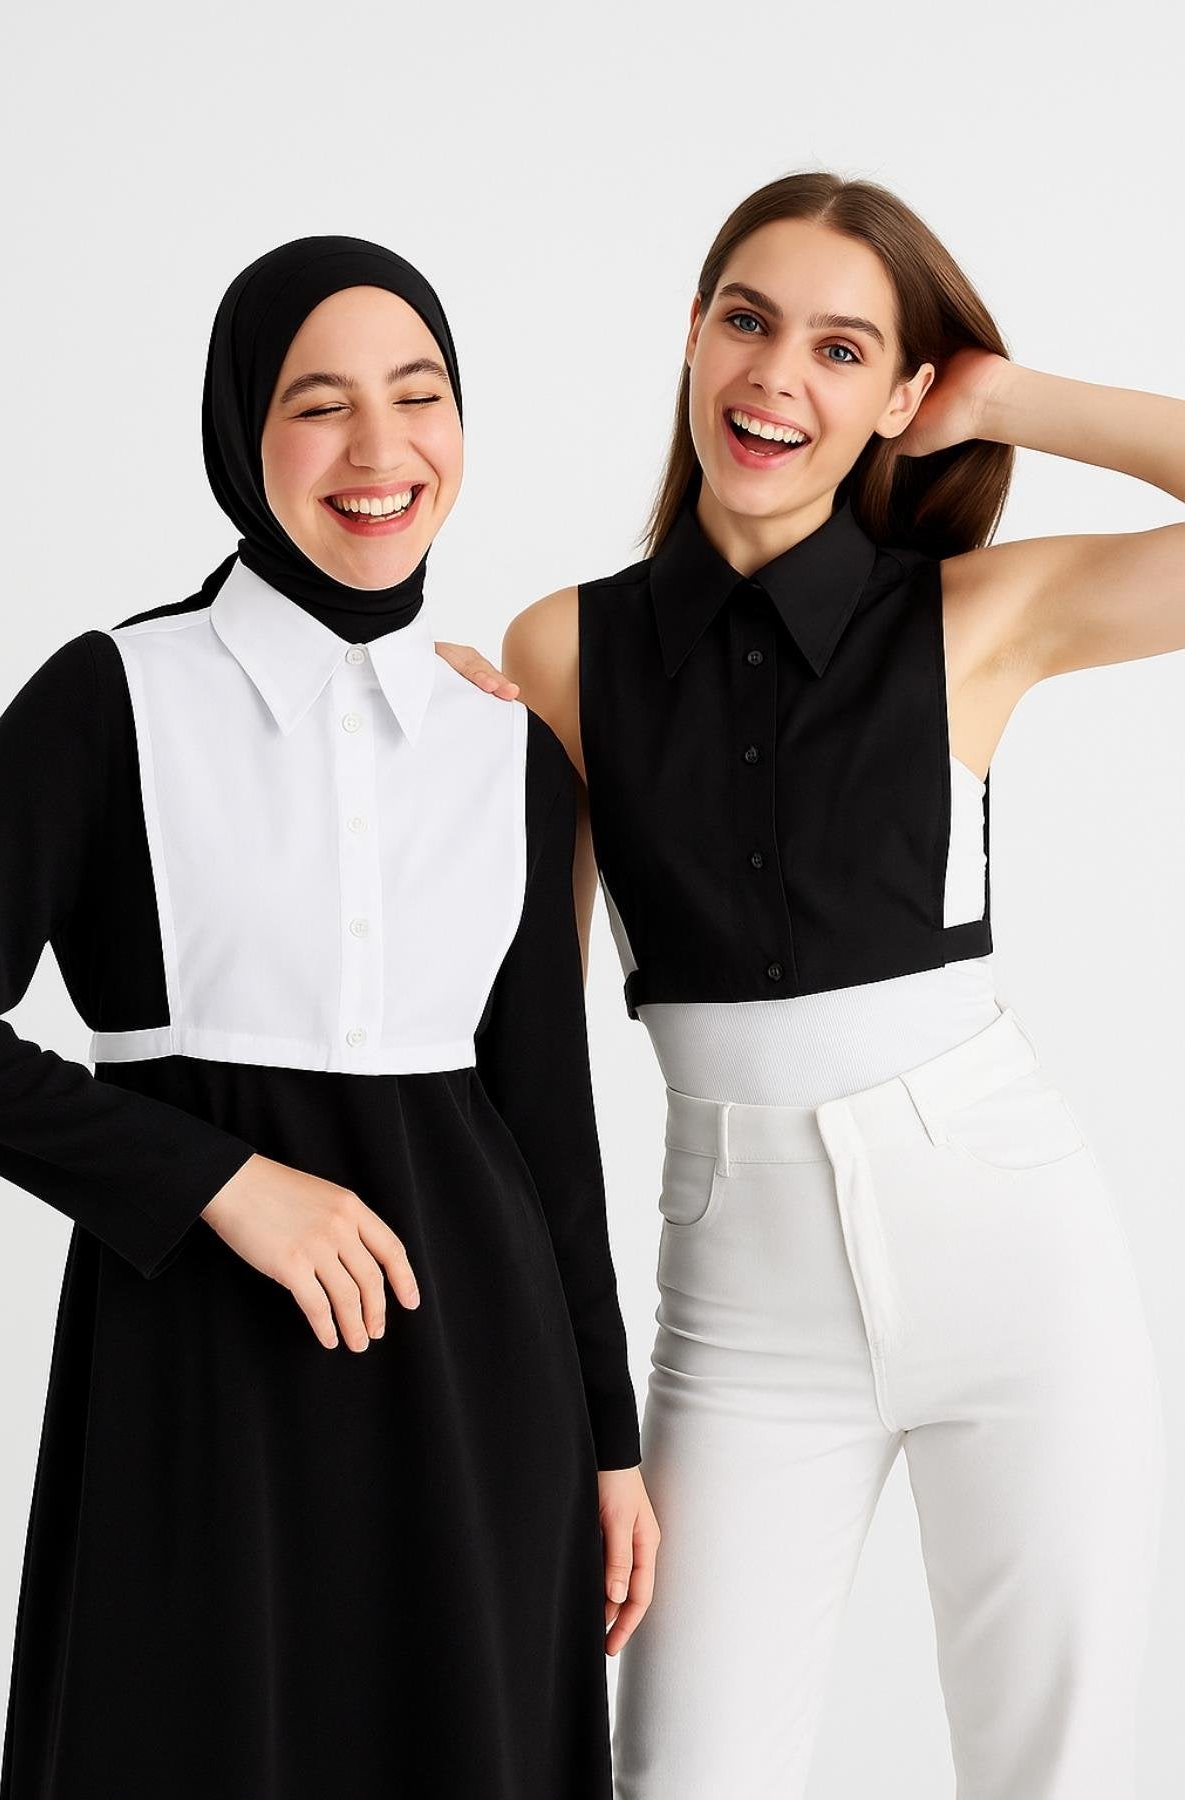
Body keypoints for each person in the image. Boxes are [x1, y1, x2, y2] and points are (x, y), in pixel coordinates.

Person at [435, 172, 1180, 1798]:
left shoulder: (979, 614)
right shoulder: (563, 650)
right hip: (738, 1306)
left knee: (1054, 1770)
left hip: (1016, 1256)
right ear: (695, 335)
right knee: (684, 1774)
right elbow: (519, 1046)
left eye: (844, 351)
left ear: (902, 395)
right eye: (749, 321)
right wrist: (417, 762)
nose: (777, 376)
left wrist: (1010, 401)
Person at [0, 233, 656, 1799]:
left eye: (420, 397)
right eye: (318, 404)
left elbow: (545, 1122)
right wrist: (221, 1180)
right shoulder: (114, 697)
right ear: (241, 433)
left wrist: (608, 1442)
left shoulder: (509, 750)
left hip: (479, 1408)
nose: (379, 450)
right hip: (195, 1392)